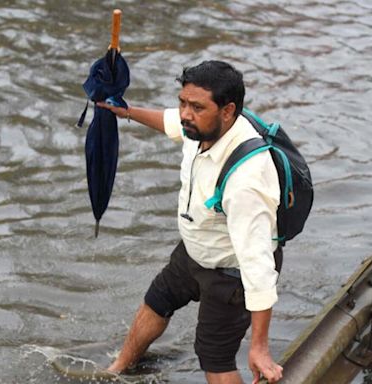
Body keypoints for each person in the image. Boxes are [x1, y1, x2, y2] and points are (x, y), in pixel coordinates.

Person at [97, 60, 284, 384]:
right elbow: (171, 122)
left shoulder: (246, 180)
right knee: (156, 301)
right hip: (198, 248)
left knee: (215, 358)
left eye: (195, 107)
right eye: (183, 102)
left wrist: (260, 347)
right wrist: (124, 112)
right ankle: (117, 371)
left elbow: (259, 269)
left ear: (228, 111)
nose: (185, 113)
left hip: (231, 274)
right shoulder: (202, 126)